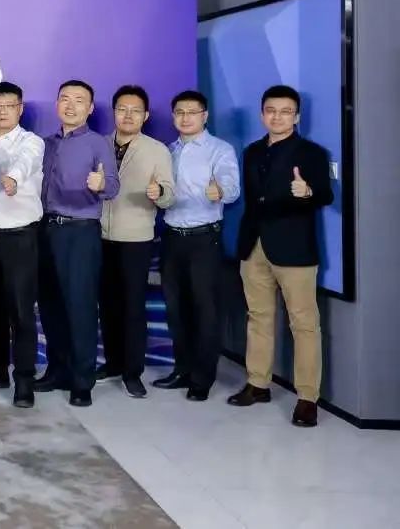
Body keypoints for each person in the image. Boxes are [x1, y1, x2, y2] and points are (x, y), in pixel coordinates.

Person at [228, 85, 332, 427]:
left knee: (304, 324)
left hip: (295, 249)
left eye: (286, 111)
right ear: (262, 115)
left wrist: (308, 191)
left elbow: (326, 195)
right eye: (271, 110)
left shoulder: (311, 153)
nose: (277, 117)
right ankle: (258, 384)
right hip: (253, 246)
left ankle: (307, 398)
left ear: (297, 116)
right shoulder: (252, 151)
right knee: (258, 317)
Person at [38, 79, 119, 407]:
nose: (70, 106)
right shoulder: (46, 144)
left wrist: (101, 184)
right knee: (51, 305)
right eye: (64, 99)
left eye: (79, 100)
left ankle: (82, 380)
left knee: (80, 306)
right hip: (46, 230)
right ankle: (57, 370)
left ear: (90, 107)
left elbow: (113, 185)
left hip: (80, 232)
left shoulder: (98, 143)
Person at [158, 90, 240, 402]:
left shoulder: (219, 149)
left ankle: (202, 378)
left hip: (204, 239)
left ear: (205, 116)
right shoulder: (167, 151)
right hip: (172, 237)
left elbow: (231, 186)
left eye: (192, 112)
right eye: (180, 112)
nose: (185, 117)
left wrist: (221, 191)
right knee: (176, 308)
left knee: (205, 310)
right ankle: (182, 369)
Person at [98, 85, 176, 399]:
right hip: (100, 237)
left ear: (145, 116)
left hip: (136, 239)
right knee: (107, 304)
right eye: (122, 109)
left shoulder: (157, 150)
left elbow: (169, 194)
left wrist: (160, 193)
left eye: (135, 111)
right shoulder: (99, 144)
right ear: (114, 112)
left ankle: (132, 372)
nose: (128, 115)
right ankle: (113, 363)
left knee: (132, 306)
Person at [0, 81, 45, 409]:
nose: (2, 112)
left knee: (21, 312)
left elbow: (25, 163)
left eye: (9, 106)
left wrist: (13, 178)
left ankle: (25, 380)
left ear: (20, 109)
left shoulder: (31, 142)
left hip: (19, 238)